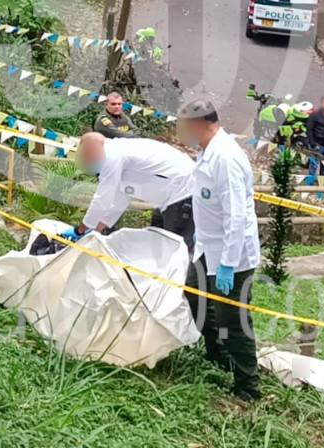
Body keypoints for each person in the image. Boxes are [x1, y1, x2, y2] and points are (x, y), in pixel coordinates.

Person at [176, 99, 262, 402]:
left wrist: (227, 264)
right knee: (193, 292)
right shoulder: (207, 153)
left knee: (233, 320)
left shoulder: (225, 157)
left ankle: (247, 387)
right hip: (207, 247)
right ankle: (218, 355)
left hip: (232, 255)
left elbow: (236, 215)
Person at [63, 133, 196, 249]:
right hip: (169, 199)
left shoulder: (111, 156)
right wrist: (94, 230)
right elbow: (119, 201)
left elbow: (102, 199)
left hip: (184, 193)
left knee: (177, 249)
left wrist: (80, 230)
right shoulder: (117, 153)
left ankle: (193, 278)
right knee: (156, 244)